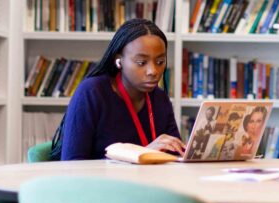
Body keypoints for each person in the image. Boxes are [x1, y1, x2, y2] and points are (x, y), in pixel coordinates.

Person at [58, 19, 185, 160]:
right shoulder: (92, 93)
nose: (153, 71)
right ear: (119, 61)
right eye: (141, 63)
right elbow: (72, 164)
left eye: (160, 62)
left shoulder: (159, 98)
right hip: (101, 182)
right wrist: (139, 155)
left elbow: (176, 156)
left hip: (149, 181)